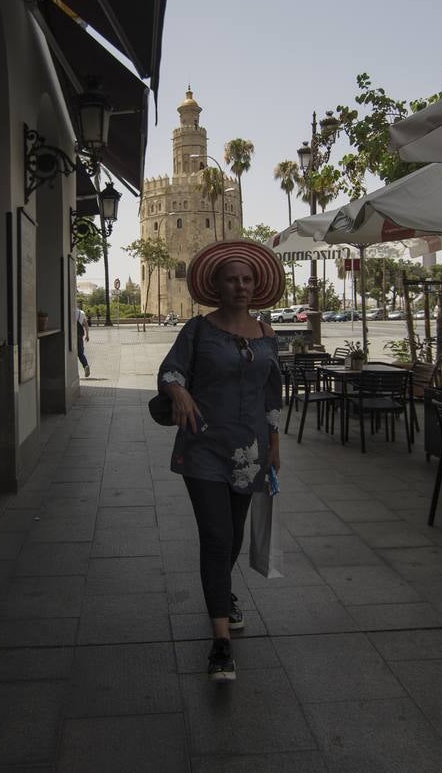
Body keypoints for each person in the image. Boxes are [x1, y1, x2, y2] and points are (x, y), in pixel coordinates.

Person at [157, 240, 285, 682]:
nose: (240, 286)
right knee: (216, 536)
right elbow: (171, 370)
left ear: (257, 285)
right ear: (217, 285)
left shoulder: (267, 335)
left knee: (232, 536)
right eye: (231, 279)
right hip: (204, 447)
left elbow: (272, 394)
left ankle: (221, 592)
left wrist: (274, 443)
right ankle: (221, 641)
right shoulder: (197, 330)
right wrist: (178, 391)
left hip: (250, 452)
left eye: (247, 279)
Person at [76, 302, 90, 377]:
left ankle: (73, 371)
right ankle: (85, 365)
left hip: (71, 336)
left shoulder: (68, 311)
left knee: (70, 353)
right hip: (79, 335)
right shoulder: (81, 313)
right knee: (80, 353)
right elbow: (86, 324)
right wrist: (87, 335)